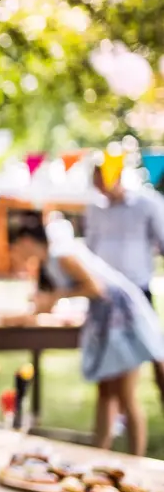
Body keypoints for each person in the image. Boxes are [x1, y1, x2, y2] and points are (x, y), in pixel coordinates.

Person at [11, 214, 164, 456]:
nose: (16, 251)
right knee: (105, 391)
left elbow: (96, 287)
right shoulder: (49, 262)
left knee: (125, 394)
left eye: (17, 245)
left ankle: (137, 459)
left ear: (28, 241)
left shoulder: (62, 254)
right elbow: (51, 299)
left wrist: (57, 297)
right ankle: (99, 454)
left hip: (122, 318)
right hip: (106, 321)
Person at [86, 166, 164, 409]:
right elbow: (90, 250)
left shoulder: (146, 203)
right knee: (109, 365)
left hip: (137, 291)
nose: (100, 188)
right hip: (104, 295)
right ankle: (116, 417)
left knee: (155, 355)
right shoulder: (95, 209)